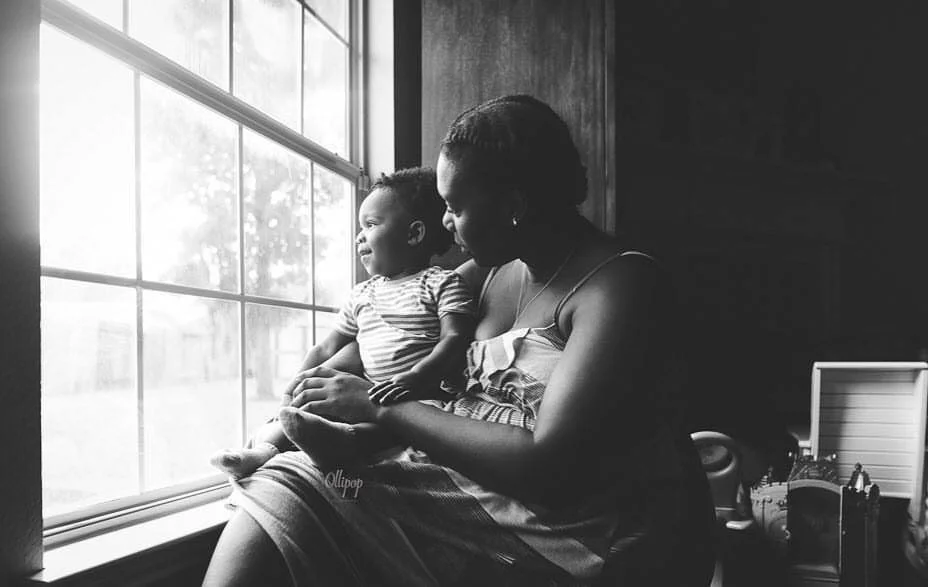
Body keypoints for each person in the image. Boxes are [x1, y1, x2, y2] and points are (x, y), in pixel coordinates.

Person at [202, 95, 716, 586]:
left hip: (580, 531)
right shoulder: (485, 275)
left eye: (455, 206)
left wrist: (381, 410)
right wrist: (316, 381)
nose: (445, 222)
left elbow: (546, 465)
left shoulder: (619, 287)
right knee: (297, 476)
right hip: (470, 492)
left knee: (304, 484)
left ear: (514, 205)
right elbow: (394, 328)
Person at [210, 167, 475, 477]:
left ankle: (339, 443)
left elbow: (455, 338)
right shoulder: (362, 294)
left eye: (371, 224)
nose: (359, 236)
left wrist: (415, 378)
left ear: (414, 234)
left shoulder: (442, 283)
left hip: (420, 400)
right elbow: (328, 346)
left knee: (393, 430)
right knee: (303, 411)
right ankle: (260, 453)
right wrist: (300, 380)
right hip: (365, 392)